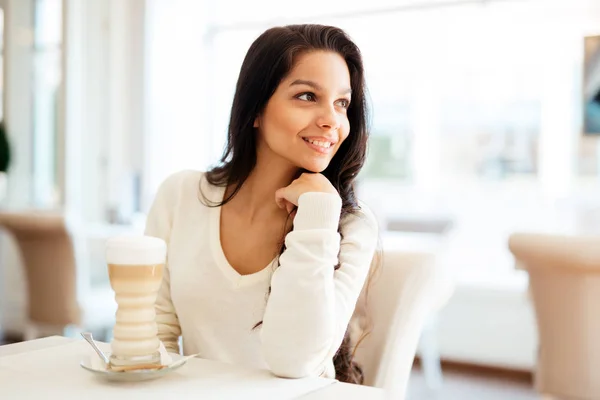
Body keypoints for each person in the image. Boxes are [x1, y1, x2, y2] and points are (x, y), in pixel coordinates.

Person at [145, 24, 378, 384]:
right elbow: (154, 333)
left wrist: (316, 216)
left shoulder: (351, 226)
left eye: (342, 103)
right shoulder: (180, 195)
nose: (332, 119)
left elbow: (295, 362)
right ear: (255, 109)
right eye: (306, 96)